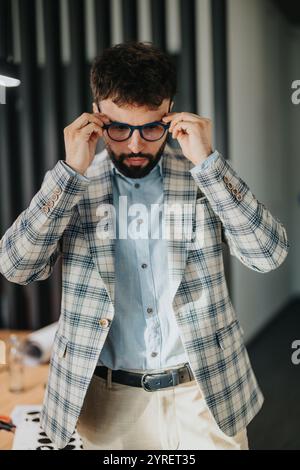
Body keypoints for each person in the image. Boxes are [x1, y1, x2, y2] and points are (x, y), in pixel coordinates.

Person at [0, 42, 289, 450]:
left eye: (151, 128)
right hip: (106, 405)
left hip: (202, 397)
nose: (135, 146)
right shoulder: (74, 186)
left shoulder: (202, 177)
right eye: (119, 128)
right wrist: (69, 174)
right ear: (97, 115)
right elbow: (16, 266)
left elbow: (269, 254)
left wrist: (209, 163)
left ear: (170, 112)